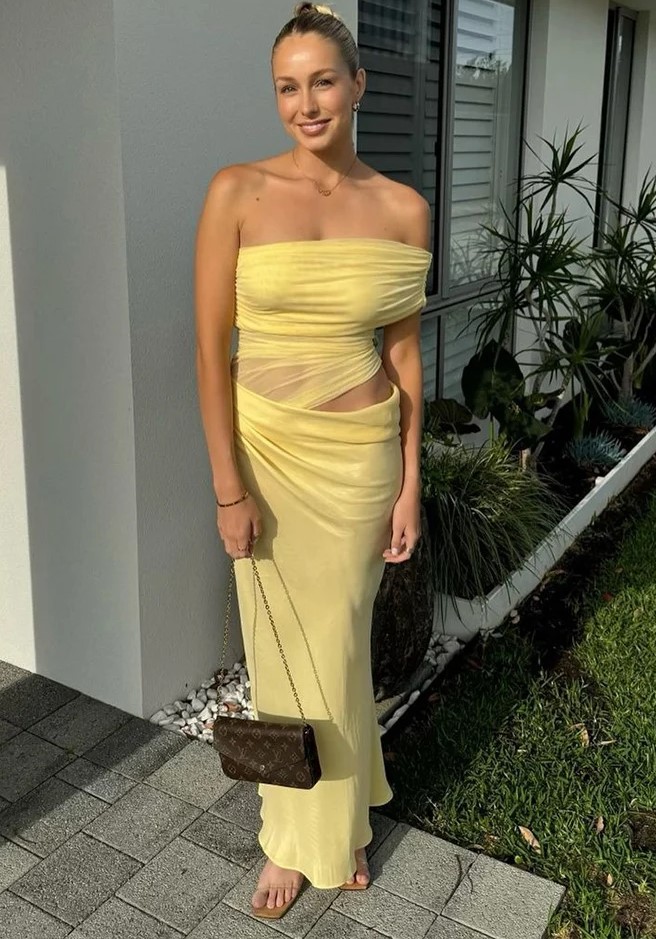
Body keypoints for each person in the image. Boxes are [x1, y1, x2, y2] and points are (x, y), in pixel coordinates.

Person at [194, 1, 432, 921]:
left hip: (362, 460)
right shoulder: (237, 191)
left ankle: (333, 819)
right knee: (283, 654)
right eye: (287, 87)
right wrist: (227, 486)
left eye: (323, 81)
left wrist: (411, 481)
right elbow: (209, 348)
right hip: (266, 456)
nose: (306, 104)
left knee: (338, 643)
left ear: (358, 84)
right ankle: (301, 833)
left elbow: (404, 357)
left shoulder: (404, 210)